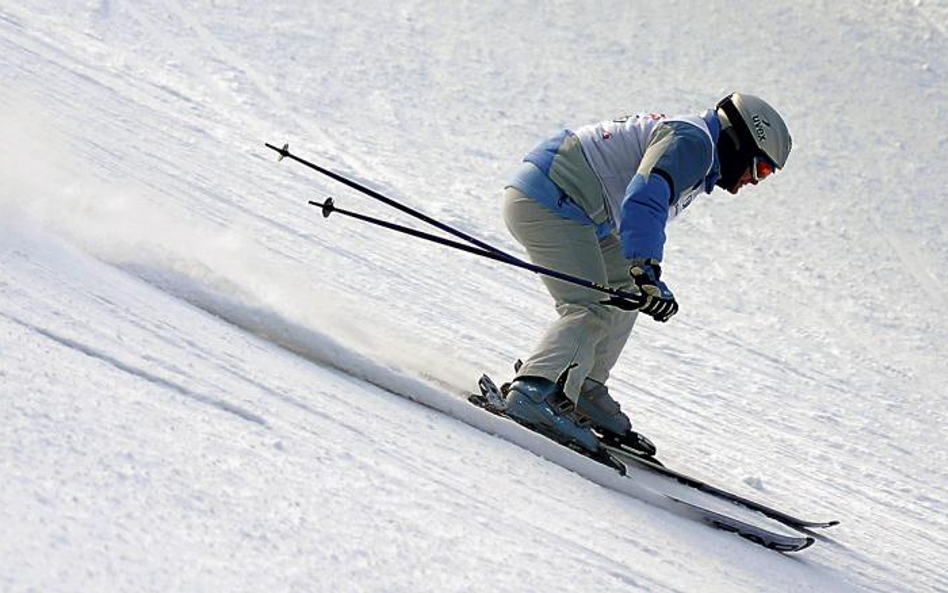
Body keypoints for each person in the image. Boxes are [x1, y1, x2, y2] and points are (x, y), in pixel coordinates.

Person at [501, 92, 791, 457]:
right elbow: (644, 197)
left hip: (577, 207)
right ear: (738, 141)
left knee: (623, 289)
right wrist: (647, 266)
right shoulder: (694, 143)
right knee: (589, 305)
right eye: (760, 169)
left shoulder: (698, 149)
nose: (754, 181)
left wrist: (641, 276)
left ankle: (582, 386)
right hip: (553, 198)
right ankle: (535, 390)